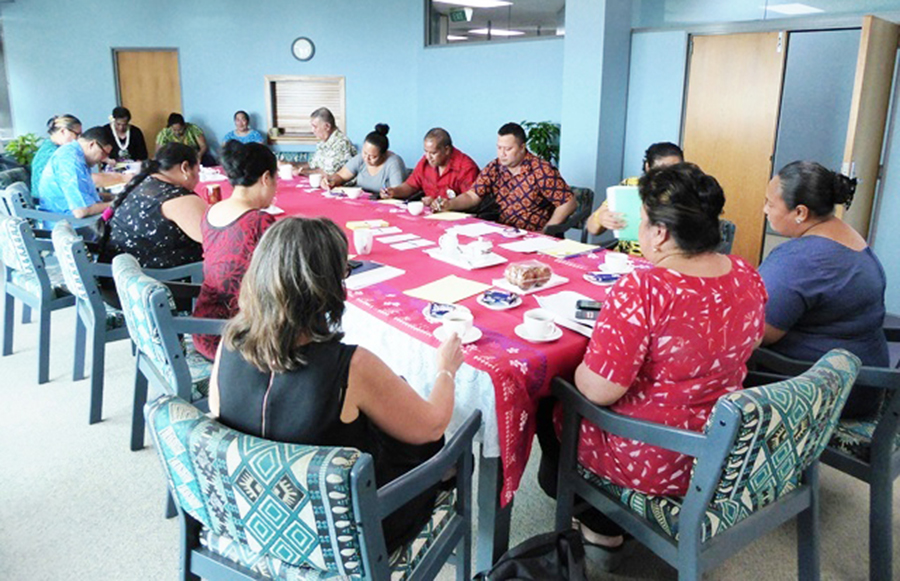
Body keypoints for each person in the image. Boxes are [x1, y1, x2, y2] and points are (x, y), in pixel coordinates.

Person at [536, 163, 766, 570]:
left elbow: (598, 390)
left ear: (660, 232)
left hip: (657, 457)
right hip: (724, 445)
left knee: (547, 396)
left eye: (642, 222)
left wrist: (564, 371)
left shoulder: (645, 288)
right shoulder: (748, 274)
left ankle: (598, 519)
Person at [208, 216, 464, 552]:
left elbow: (218, 412)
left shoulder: (228, 344)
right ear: (326, 286)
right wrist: (446, 369)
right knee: (439, 444)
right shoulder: (352, 365)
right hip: (342, 535)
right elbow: (432, 425)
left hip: (251, 517)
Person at [759, 160, 887, 418]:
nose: (765, 210)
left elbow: (760, 332)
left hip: (829, 391)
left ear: (800, 213)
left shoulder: (801, 258)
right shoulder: (847, 235)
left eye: (770, 204)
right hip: (868, 381)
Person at [192, 141, 279, 360]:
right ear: (266, 178)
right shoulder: (258, 221)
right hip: (236, 335)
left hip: (204, 324)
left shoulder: (212, 210)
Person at [434, 122, 576, 233]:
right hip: (503, 233)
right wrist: (450, 204)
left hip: (533, 236)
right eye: (499, 148)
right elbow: (472, 196)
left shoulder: (541, 170)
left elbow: (568, 203)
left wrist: (548, 230)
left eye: (508, 149)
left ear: (522, 147)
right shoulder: (495, 167)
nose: (502, 154)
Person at [98, 143, 204, 269]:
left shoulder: (142, 183)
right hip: (163, 281)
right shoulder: (177, 198)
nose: (198, 178)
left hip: (122, 274)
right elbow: (218, 241)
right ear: (185, 168)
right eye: (198, 171)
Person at [586, 142, 684, 254]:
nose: (669, 175)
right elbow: (592, 228)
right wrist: (601, 218)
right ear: (648, 166)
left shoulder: (688, 191)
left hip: (669, 258)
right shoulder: (630, 186)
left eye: (676, 169)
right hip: (627, 257)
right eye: (662, 169)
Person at [380, 127, 479, 207]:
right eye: (426, 151)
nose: (428, 157)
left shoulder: (465, 168)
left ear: (447, 150)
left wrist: (439, 203)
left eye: (433, 153)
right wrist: (394, 191)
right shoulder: (425, 162)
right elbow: (411, 185)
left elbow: (470, 200)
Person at [38, 126, 114, 218]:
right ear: (92, 144)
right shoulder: (71, 161)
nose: (103, 159)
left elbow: (83, 195)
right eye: (103, 154)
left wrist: (113, 197)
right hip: (67, 225)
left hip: (68, 220)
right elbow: (81, 211)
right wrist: (115, 203)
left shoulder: (74, 154)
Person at [324, 123, 406, 194]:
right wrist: (331, 181)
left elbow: (398, 191)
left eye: (373, 156)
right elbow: (341, 176)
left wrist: (389, 193)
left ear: (384, 154)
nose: (366, 158)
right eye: (365, 152)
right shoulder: (361, 159)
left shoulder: (394, 163)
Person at [289, 107, 357, 176]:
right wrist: (292, 166)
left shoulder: (342, 143)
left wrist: (302, 171)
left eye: (315, 127)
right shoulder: (323, 142)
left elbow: (330, 174)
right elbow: (313, 165)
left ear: (327, 126)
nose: (312, 130)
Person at [31, 114, 82, 200]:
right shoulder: (54, 153)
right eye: (77, 134)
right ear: (63, 131)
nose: (78, 139)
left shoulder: (47, 146)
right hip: (47, 201)